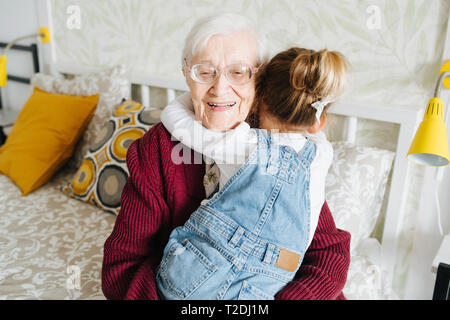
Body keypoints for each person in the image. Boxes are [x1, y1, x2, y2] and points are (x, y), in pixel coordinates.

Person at [102, 12, 351, 300]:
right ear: (186, 73)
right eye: (204, 72)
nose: (220, 89)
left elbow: (328, 252)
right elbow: (122, 267)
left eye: (238, 72)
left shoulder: (284, 145)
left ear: (260, 79)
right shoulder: (157, 148)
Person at [157, 46, 347, 300]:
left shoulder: (239, 144)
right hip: (265, 287)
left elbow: (174, 118)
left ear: (257, 100)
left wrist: (199, 90)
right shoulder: (322, 155)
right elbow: (314, 129)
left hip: (194, 278)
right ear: (319, 121)